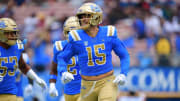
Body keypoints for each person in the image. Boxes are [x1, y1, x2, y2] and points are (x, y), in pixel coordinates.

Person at [57, 2, 130, 101]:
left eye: (86, 16)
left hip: (106, 81)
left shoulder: (108, 33)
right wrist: (64, 72)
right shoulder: (76, 37)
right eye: (81, 16)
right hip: (86, 84)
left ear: (96, 17)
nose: (82, 19)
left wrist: (123, 73)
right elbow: (62, 57)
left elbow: (124, 55)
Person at [0, 18, 47, 101]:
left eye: (14, 33)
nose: (13, 36)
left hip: (11, 93)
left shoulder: (16, 47)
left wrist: (36, 79)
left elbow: (23, 66)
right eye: (9, 33)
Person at [49, 16, 81, 101]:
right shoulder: (59, 46)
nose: (71, 35)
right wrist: (52, 85)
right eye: (69, 32)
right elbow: (54, 69)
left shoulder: (87, 44)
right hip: (69, 92)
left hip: (85, 89)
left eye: (74, 32)